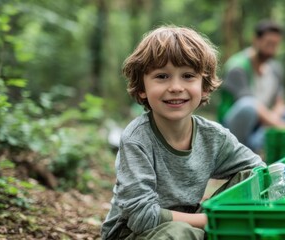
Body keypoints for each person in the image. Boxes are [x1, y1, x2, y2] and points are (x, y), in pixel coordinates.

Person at [100, 26, 266, 240]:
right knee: (182, 233)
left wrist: (218, 213)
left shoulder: (212, 136)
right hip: (132, 233)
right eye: (162, 76)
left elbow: (258, 170)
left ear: (204, 86)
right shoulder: (137, 139)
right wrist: (211, 219)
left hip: (189, 226)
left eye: (188, 75)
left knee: (252, 176)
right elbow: (141, 217)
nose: (176, 87)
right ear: (142, 87)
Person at [217, 19, 285, 153]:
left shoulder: (275, 69)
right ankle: (235, 151)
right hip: (236, 125)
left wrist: (275, 118)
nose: (272, 49)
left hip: (262, 125)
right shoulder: (238, 66)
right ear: (256, 40)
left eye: (276, 45)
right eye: (269, 43)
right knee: (248, 106)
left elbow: (279, 101)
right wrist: (279, 124)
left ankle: (257, 149)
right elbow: (251, 104)